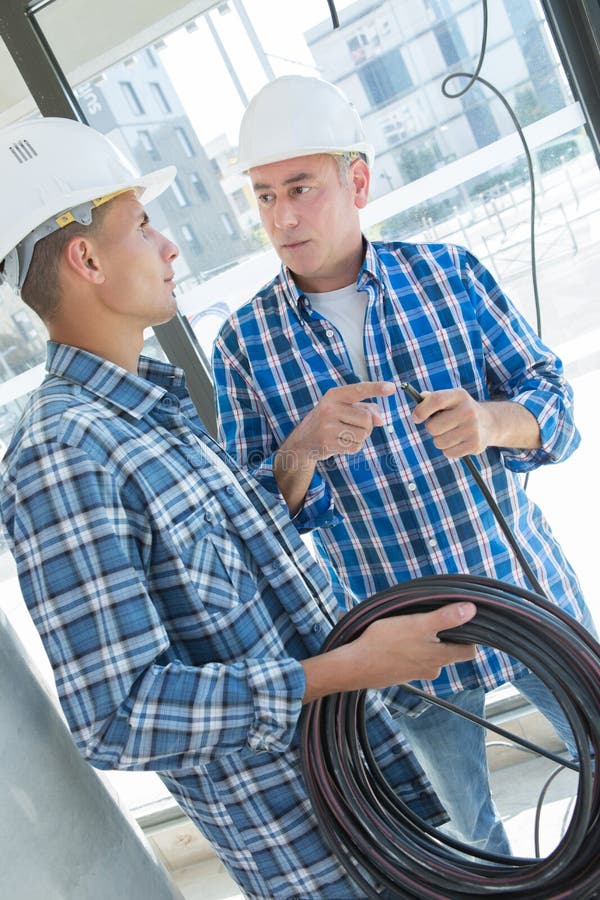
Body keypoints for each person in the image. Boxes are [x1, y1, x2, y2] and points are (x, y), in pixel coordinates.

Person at [0, 116, 479, 900]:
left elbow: (234, 551)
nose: (169, 247)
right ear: (85, 258)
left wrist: (304, 448)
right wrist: (349, 667)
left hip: (370, 797)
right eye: (144, 226)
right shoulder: (63, 458)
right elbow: (118, 713)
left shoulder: (142, 412)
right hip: (312, 850)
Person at [212, 74, 595, 856]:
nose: (282, 217)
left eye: (301, 188)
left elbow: (555, 407)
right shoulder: (242, 346)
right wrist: (302, 448)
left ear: (357, 179)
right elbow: (253, 521)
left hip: (524, 593)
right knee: (467, 842)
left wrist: (492, 420)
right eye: (263, 196)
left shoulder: (448, 276)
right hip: (398, 638)